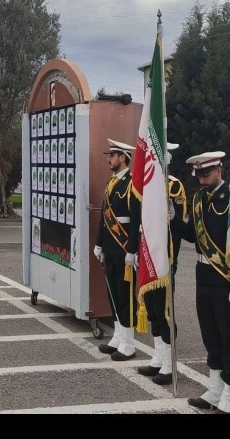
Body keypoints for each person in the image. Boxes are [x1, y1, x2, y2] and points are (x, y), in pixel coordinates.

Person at [176, 151, 230, 413]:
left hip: (226, 278)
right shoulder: (198, 200)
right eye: (199, 176)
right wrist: (172, 219)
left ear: (219, 170)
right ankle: (215, 389)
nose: (202, 180)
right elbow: (192, 236)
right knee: (210, 336)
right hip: (203, 275)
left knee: (228, 339)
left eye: (206, 174)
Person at [138, 142, 185, 385]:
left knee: (165, 311)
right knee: (153, 309)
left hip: (165, 258)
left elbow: (178, 228)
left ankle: (169, 362)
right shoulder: (146, 183)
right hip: (147, 256)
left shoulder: (173, 186)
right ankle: (158, 356)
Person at [93, 139, 140, 361]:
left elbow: (136, 220)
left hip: (123, 249)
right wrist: (99, 244)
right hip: (110, 248)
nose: (109, 159)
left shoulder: (132, 184)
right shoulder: (111, 183)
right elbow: (104, 217)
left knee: (124, 294)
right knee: (112, 292)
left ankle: (129, 343)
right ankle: (118, 335)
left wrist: (132, 250)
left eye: (112, 155)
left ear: (123, 157)